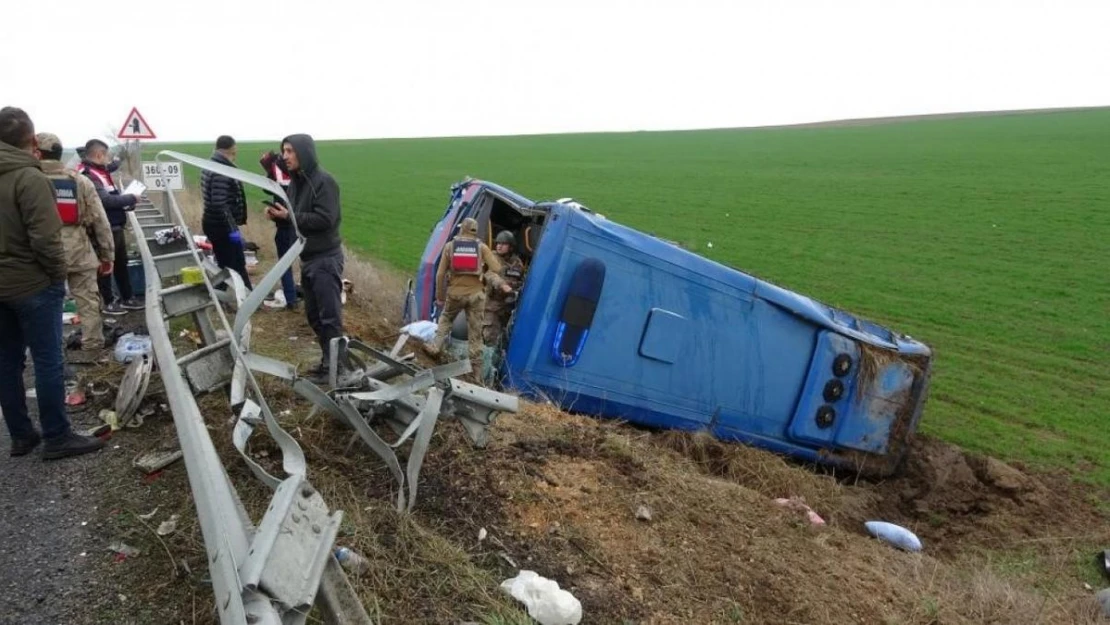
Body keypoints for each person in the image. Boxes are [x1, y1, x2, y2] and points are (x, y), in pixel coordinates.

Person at [0, 106, 105, 459]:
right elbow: (45, 238)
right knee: (47, 360)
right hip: (33, 282)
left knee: (7, 360)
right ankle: (57, 436)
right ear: (30, 141)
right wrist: (56, 275)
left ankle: (20, 435)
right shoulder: (32, 179)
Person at [265, 134, 344, 381]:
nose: (285, 156)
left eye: (289, 151)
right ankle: (327, 362)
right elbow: (298, 216)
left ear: (303, 152)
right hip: (308, 258)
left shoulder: (324, 182)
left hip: (325, 259)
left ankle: (336, 369)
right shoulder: (297, 182)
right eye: (283, 151)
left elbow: (325, 219)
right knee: (313, 315)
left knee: (330, 318)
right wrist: (282, 216)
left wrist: (290, 216)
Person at [35, 133, 115, 350]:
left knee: (44, 303)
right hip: (79, 249)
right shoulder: (79, 181)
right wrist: (107, 255)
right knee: (88, 301)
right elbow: (100, 221)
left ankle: (49, 348)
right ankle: (92, 344)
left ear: (37, 152)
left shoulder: (28, 180)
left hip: (41, 252)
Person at [424, 217, 502, 370]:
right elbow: (497, 268)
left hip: (455, 293)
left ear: (462, 229)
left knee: (446, 318)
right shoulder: (482, 247)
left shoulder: (450, 247)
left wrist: (440, 297)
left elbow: (440, 274)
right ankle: (476, 371)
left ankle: (435, 347)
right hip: (476, 295)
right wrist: (483, 270)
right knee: (475, 333)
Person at [80, 139, 140, 316]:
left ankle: (127, 297)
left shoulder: (101, 171)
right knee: (106, 265)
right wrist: (131, 198)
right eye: (106, 155)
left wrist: (126, 203)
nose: (108, 160)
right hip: (102, 228)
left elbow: (112, 194)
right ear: (99, 155)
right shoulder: (89, 174)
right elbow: (105, 201)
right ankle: (108, 301)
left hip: (115, 225)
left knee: (121, 263)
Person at [200, 135, 252, 289]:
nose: (235, 156)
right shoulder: (221, 171)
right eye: (234, 152)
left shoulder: (210, 165)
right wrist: (232, 230)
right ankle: (246, 296)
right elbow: (219, 204)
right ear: (230, 150)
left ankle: (227, 294)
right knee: (234, 263)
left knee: (227, 262)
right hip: (221, 226)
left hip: (213, 222)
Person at [260, 149, 298, 310]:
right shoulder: (296, 172)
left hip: (285, 226)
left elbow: (269, 190)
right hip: (301, 224)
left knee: (284, 264)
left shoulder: (276, 172)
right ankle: (307, 296)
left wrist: (271, 211)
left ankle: (291, 300)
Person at [482, 230, 525, 347]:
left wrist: (517, 289)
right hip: (492, 307)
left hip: (507, 310)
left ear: (511, 247)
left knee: (504, 342)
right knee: (490, 339)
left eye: (503, 243)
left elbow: (522, 280)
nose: (499, 246)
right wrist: (503, 285)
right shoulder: (492, 257)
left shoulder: (517, 263)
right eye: (498, 243)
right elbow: (490, 275)